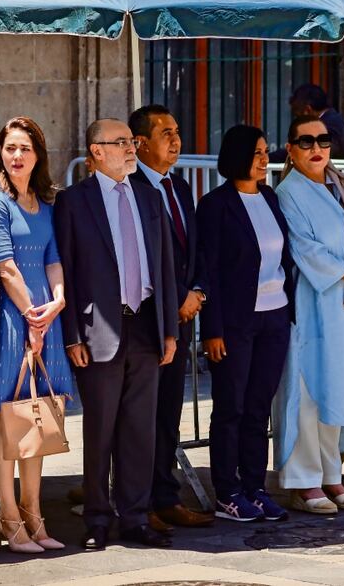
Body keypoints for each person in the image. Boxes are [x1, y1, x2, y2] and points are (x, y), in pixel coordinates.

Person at [55, 118, 179, 551]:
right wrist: (71, 335)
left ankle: (136, 516)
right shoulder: (73, 202)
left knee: (139, 430)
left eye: (133, 141)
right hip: (98, 329)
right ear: (95, 151)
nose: (131, 148)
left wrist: (169, 331)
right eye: (122, 142)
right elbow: (66, 270)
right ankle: (96, 518)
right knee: (101, 431)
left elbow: (164, 268)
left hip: (146, 324)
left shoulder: (150, 195)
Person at [273, 115, 344, 514]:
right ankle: (303, 481)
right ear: (290, 148)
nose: (316, 148)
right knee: (308, 390)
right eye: (305, 142)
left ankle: (332, 475)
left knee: (343, 386)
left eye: (323, 140)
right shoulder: (288, 193)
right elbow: (304, 248)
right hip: (316, 303)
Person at [0, 116, 74, 553]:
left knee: (37, 413)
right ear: (0, 151)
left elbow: (54, 259)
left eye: (25, 149)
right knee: (7, 416)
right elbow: (5, 264)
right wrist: (33, 316)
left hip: (43, 317)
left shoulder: (46, 203)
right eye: (10, 148)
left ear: (38, 156)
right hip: (14, 317)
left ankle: (35, 515)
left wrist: (57, 302)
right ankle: (8, 516)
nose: (17, 156)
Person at [197, 125, 296, 522]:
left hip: (275, 316)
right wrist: (213, 329)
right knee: (230, 408)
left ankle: (255, 487)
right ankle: (227, 491)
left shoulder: (270, 197)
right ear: (237, 155)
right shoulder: (216, 205)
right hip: (235, 322)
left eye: (264, 150)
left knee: (258, 409)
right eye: (256, 152)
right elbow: (210, 269)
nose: (263, 158)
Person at [130, 105, 215, 532]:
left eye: (177, 130)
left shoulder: (179, 188)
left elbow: (194, 248)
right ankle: (136, 501)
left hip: (182, 317)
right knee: (139, 416)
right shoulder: (128, 188)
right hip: (146, 321)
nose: (176, 139)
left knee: (168, 412)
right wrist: (175, 299)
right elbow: (140, 259)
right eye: (166, 132)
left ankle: (165, 495)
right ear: (140, 142)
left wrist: (196, 291)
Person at [289, 84, 344, 159]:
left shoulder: (328, 125)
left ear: (308, 110)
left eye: (298, 116)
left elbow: (318, 151)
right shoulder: (334, 119)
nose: (297, 122)